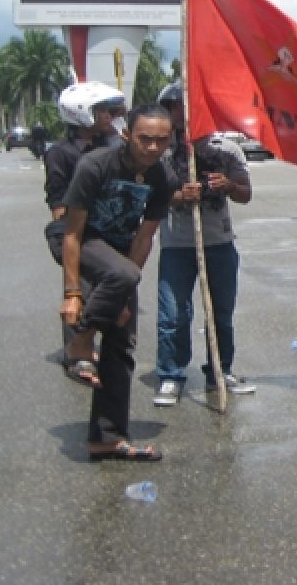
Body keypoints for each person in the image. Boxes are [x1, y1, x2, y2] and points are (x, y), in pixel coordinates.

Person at [60, 104, 174, 461]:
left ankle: (106, 436)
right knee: (122, 274)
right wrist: (73, 294)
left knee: (122, 342)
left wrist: (123, 295)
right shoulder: (96, 165)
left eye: (161, 141)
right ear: (127, 135)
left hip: (120, 256)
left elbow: (143, 240)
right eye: (145, 139)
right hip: (82, 241)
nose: (153, 148)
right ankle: (79, 343)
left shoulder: (163, 178)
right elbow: (71, 233)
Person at [153, 83, 255, 406]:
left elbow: (246, 193)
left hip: (219, 243)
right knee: (173, 314)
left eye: (189, 106)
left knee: (221, 313)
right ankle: (170, 375)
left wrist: (227, 185)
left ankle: (220, 371)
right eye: (175, 108)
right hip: (177, 245)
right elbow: (151, 196)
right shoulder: (161, 152)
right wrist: (179, 196)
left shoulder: (226, 149)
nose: (183, 114)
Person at [44, 81, 127, 386]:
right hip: (79, 232)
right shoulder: (60, 153)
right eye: (103, 111)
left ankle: (105, 348)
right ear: (81, 114)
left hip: (113, 231)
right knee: (81, 289)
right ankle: (77, 354)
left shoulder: (115, 145)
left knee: (114, 288)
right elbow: (57, 201)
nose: (109, 116)